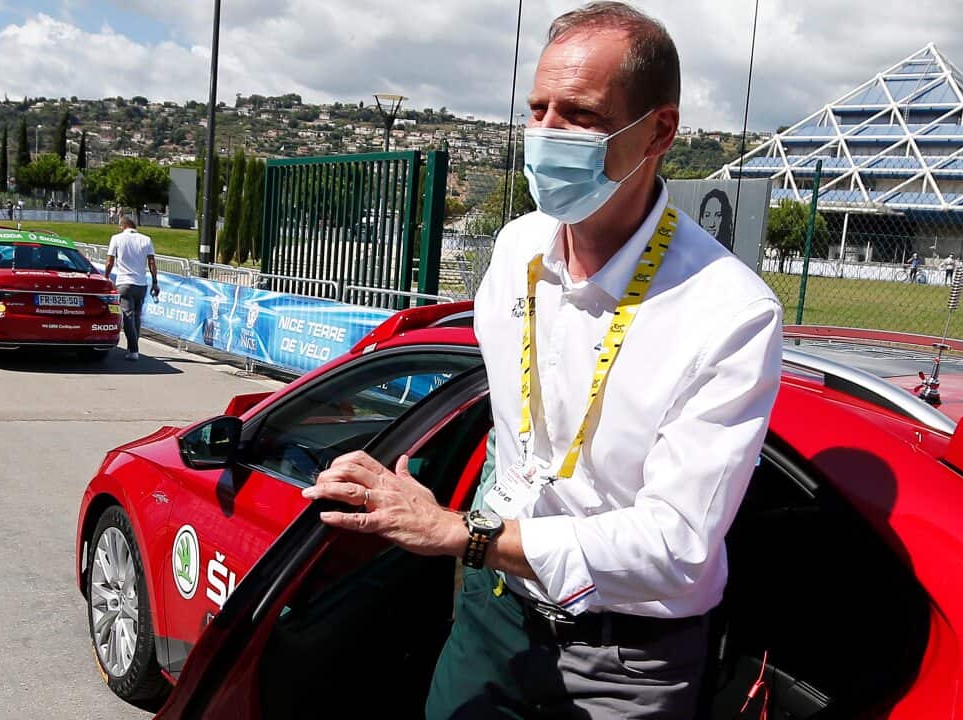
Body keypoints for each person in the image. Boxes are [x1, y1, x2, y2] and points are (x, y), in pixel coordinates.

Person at [301, 3, 783, 717]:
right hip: (494, 611)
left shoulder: (729, 313)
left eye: (581, 115)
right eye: (537, 109)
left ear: (660, 130)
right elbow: (515, 431)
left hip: (629, 658)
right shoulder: (517, 248)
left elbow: (677, 543)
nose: (547, 134)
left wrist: (458, 531)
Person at [103, 216, 159, 361]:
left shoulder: (116, 238)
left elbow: (110, 261)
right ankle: (132, 347)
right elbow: (151, 261)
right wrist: (155, 281)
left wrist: (106, 276)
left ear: (123, 226)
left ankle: (133, 349)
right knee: (137, 316)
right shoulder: (146, 239)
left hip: (124, 282)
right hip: (141, 283)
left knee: (128, 316)